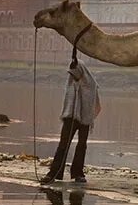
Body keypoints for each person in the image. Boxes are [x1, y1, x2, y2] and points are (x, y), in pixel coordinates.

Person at [41, 57, 101, 185]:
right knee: (63, 144)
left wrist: (87, 116)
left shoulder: (91, 84)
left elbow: (95, 104)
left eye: (75, 75)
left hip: (85, 119)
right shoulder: (71, 83)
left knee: (81, 145)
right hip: (70, 117)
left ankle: (78, 173)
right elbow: (68, 100)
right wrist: (71, 113)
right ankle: (55, 173)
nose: (73, 77)